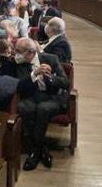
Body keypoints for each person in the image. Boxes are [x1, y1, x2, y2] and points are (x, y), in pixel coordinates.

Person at [14, 38, 68, 171]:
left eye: (18, 51)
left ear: (30, 52)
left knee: (43, 109)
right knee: (24, 107)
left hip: (52, 97)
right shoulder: (19, 63)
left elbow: (65, 82)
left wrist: (50, 77)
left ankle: (35, 152)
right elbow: (20, 87)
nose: (15, 54)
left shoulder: (51, 59)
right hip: (32, 96)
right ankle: (41, 149)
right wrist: (34, 74)